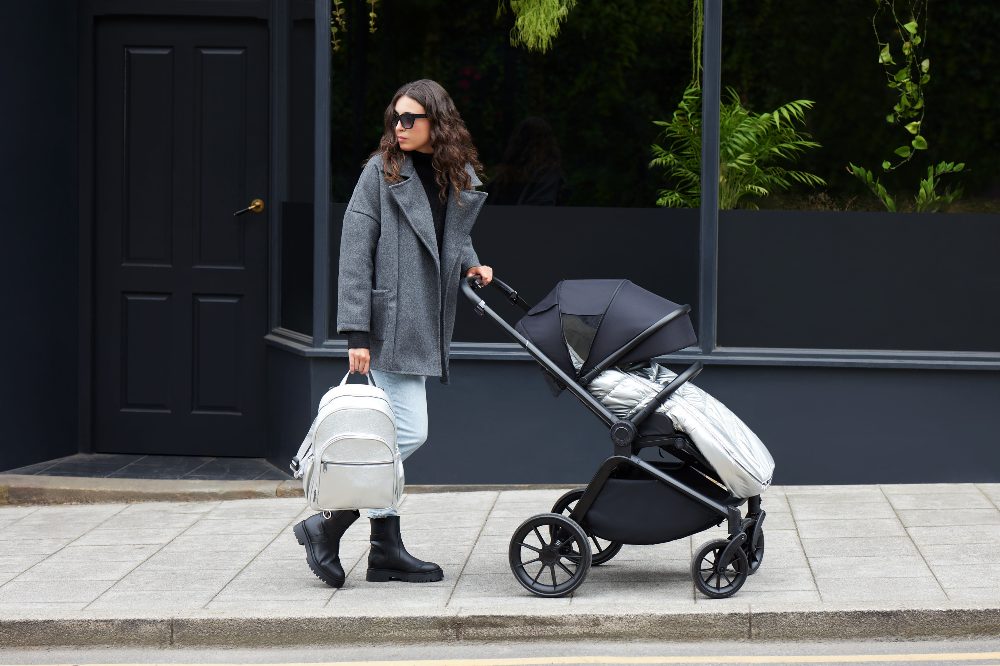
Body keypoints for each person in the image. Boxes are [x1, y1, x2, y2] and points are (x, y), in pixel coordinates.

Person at [294, 79, 492, 587]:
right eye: (395, 118)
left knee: (390, 434)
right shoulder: (379, 174)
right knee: (407, 432)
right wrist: (356, 331)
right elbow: (354, 255)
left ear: (437, 124)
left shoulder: (455, 173)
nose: (399, 127)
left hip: (425, 321)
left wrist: (471, 264)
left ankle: (385, 549)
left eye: (410, 119)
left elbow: (449, 236)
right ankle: (329, 521)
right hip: (389, 323)